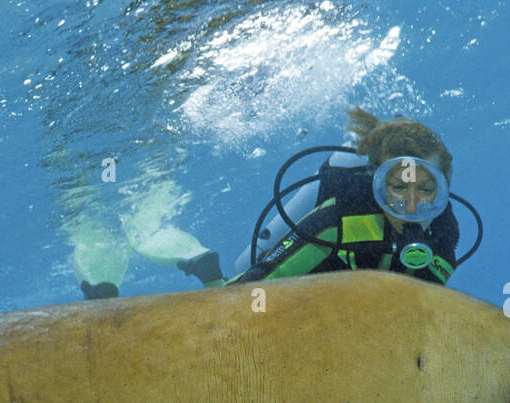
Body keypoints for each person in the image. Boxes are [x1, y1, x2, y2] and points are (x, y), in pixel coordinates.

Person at [72, 107, 475, 299]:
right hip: (283, 283)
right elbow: (245, 294)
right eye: (396, 187)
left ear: (445, 187)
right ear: (376, 184)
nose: (410, 204)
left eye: (426, 189)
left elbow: (422, 305)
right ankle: (200, 263)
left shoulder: (446, 231)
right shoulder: (337, 220)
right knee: (233, 281)